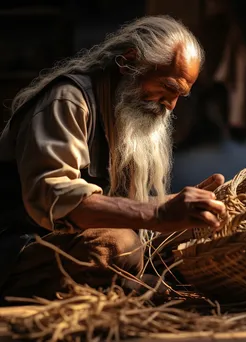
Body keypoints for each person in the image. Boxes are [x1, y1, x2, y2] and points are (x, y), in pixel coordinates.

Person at [0, 15, 226, 301]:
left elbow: (123, 207)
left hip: (73, 246)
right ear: (129, 61)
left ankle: (134, 286)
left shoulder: (125, 114)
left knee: (197, 237)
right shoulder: (68, 101)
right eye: (169, 87)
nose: (171, 105)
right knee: (119, 244)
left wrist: (182, 207)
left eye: (181, 94)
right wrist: (157, 214)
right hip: (18, 250)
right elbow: (56, 198)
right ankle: (133, 288)